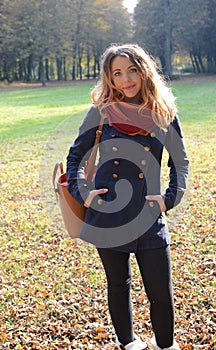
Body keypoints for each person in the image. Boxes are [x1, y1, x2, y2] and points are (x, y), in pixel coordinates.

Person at [66, 44, 189, 350]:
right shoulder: (101, 111)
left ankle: (165, 345)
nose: (125, 79)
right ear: (109, 78)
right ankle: (128, 343)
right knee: (118, 285)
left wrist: (169, 198)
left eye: (131, 70)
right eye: (116, 73)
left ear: (143, 70)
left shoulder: (163, 112)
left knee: (160, 291)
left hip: (149, 216)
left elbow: (180, 162)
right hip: (109, 214)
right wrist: (85, 194)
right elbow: (75, 157)